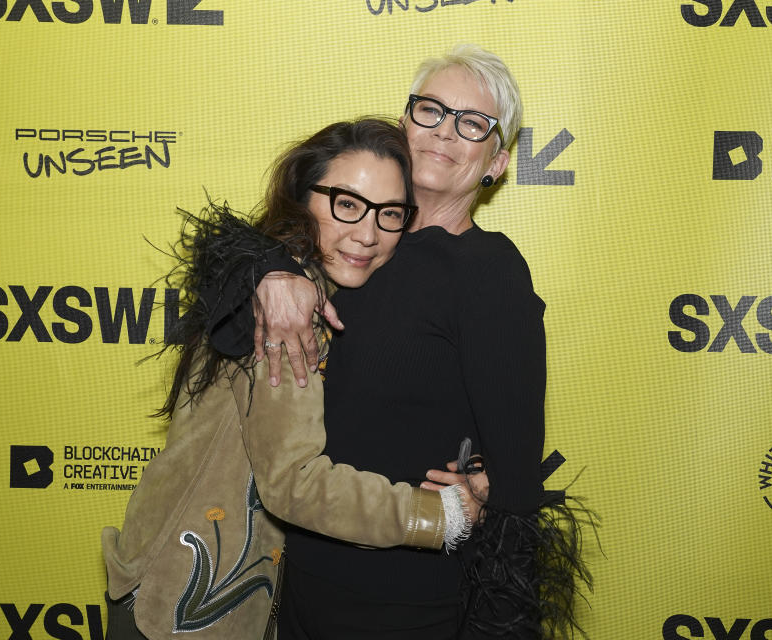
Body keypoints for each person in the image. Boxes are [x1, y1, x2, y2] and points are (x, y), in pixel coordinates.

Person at [230, 45, 591, 638]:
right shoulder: (346, 243)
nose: (445, 131)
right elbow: (226, 276)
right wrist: (273, 270)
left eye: (473, 123)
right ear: (404, 123)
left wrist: (490, 481)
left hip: (408, 604)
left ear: (496, 161)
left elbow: (517, 476)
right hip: (295, 580)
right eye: (431, 110)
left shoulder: (487, 272)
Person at [101, 118, 478, 640]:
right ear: (304, 196)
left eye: (389, 214)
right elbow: (294, 484)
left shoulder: (303, 282)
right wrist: (443, 515)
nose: (367, 233)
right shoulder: (285, 310)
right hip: (182, 604)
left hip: (235, 595)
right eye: (346, 204)